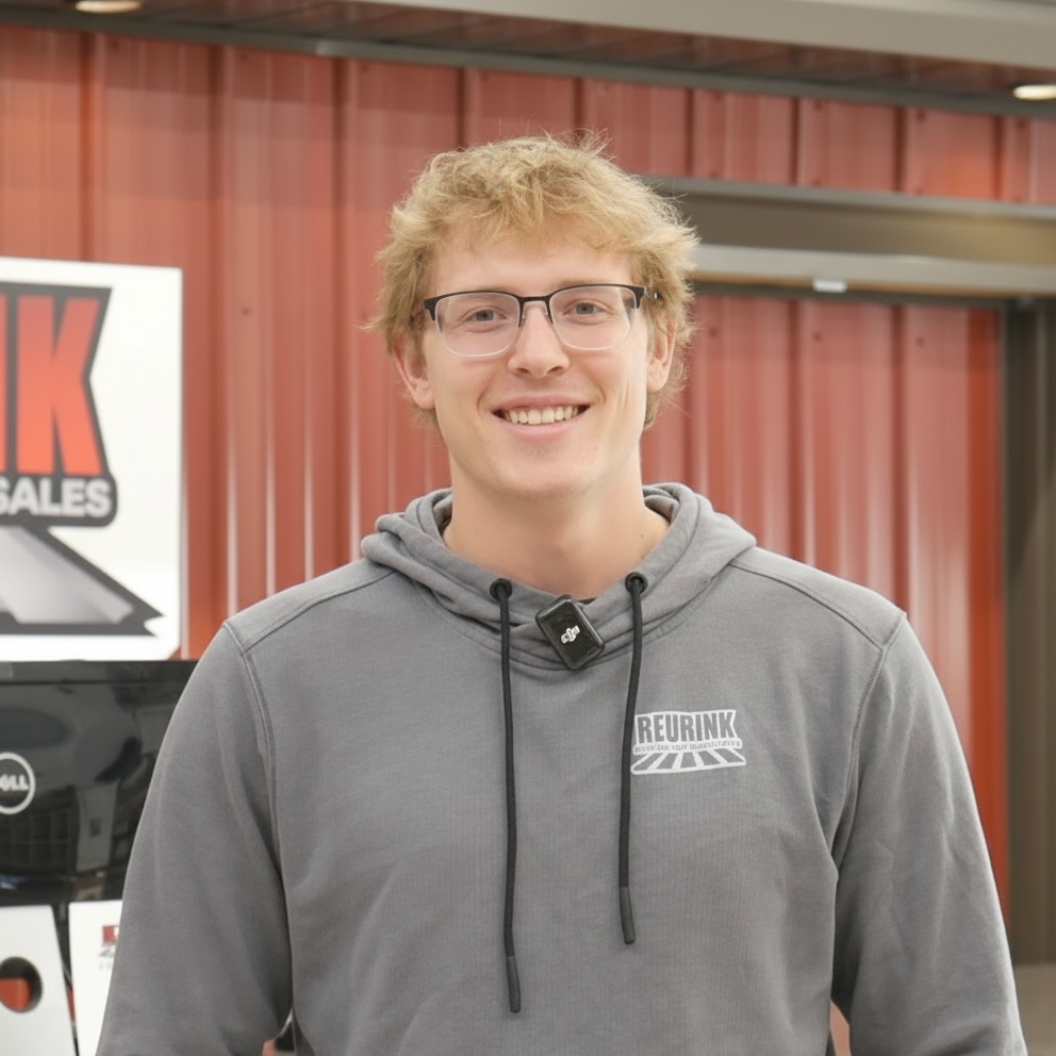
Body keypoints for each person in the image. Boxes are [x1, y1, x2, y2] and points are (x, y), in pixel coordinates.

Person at [97, 135, 1025, 1056]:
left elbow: (957, 1034)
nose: (538, 354)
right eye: (482, 313)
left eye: (586, 306)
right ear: (415, 361)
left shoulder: (844, 659)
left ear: (658, 346)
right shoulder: (273, 679)